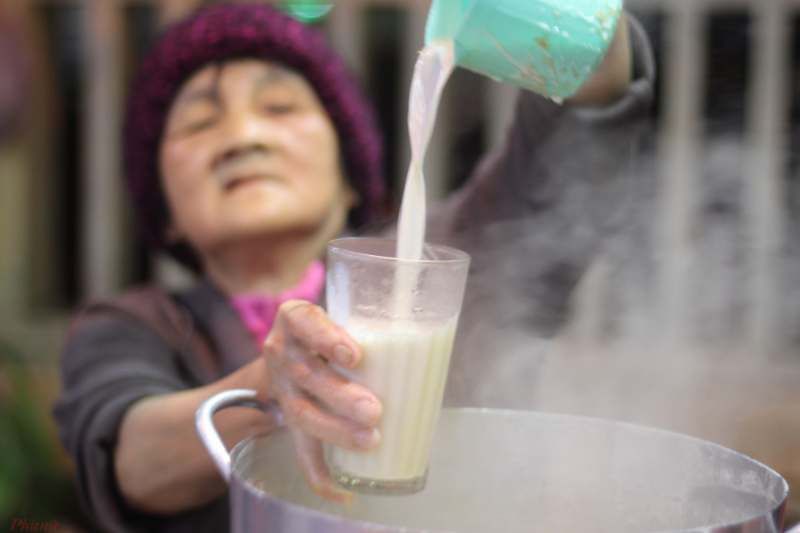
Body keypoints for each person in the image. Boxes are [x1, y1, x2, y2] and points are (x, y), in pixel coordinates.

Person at [54, 3, 652, 532]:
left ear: (349, 175)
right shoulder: (136, 325)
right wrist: (272, 389)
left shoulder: (444, 266)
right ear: (165, 214)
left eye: (280, 106)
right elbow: (127, 459)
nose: (243, 136)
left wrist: (578, 22)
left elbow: (579, 133)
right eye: (200, 123)